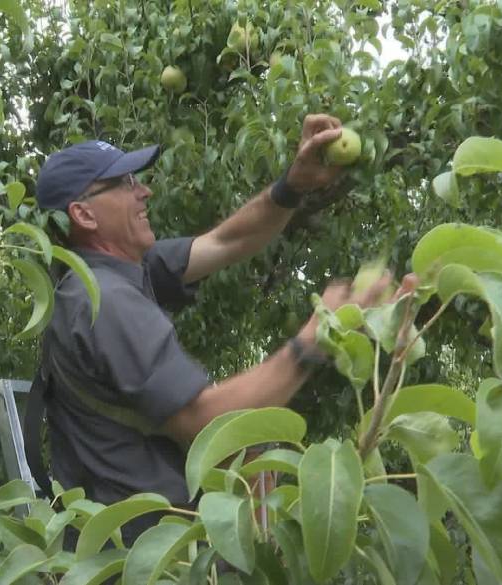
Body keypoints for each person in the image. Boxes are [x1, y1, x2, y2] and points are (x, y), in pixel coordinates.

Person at [33, 114, 392, 544]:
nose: (144, 190)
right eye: (126, 184)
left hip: (160, 539)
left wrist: (294, 184)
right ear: (84, 215)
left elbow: (227, 241)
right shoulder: (104, 302)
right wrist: (317, 338)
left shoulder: (122, 270)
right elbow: (209, 422)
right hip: (147, 558)